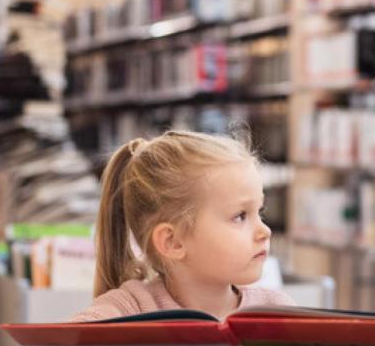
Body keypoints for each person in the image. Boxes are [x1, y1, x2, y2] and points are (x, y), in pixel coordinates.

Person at [70, 130, 293, 322]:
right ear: (172, 242)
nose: (265, 231)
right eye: (240, 216)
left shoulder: (275, 311)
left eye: (259, 212)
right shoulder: (132, 308)